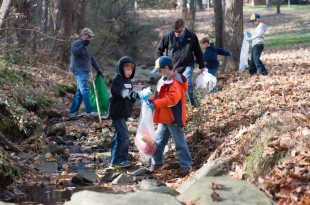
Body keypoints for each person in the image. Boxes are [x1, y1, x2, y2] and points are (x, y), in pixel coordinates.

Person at [147, 56, 192, 177]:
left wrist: (155, 104)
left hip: (174, 117)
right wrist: (150, 99)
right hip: (164, 118)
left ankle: (186, 165)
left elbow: (172, 99)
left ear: (166, 68)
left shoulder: (175, 82)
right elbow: (158, 95)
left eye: (159, 70)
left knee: (179, 143)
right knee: (157, 141)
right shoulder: (163, 80)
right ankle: (157, 162)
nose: (158, 72)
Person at [108, 56, 151, 169]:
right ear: (121, 68)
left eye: (131, 69)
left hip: (123, 112)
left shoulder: (128, 81)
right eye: (127, 69)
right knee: (124, 136)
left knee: (118, 137)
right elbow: (121, 93)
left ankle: (113, 161)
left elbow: (130, 96)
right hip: (116, 112)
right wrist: (136, 95)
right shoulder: (117, 80)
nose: (129, 71)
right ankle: (121, 160)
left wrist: (139, 96)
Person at [155, 18, 206, 107]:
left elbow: (198, 52)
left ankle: (195, 105)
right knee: (172, 86)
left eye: (179, 31)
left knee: (188, 83)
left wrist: (202, 66)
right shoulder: (168, 36)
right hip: (172, 67)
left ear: (183, 27)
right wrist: (160, 64)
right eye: (175, 31)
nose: (177, 34)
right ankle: (172, 106)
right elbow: (158, 50)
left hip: (187, 65)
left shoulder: (192, 36)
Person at [69, 28, 103, 118]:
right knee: (85, 90)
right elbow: (75, 53)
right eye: (89, 36)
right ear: (83, 35)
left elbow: (91, 58)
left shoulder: (87, 46)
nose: (90, 38)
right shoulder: (76, 43)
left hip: (85, 70)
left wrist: (98, 69)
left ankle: (73, 111)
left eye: (91, 37)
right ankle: (89, 111)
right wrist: (83, 45)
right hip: (78, 70)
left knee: (80, 92)